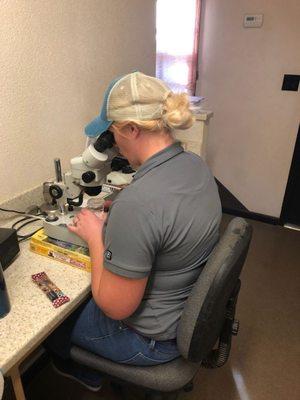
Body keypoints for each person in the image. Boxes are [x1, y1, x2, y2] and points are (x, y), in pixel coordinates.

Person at [45, 71, 222, 391]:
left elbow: (114, 306)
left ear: (131, 128)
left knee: (51, 319)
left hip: (150, 341)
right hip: (181, 309)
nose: (112, 144)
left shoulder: (140, 204)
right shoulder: (193, 165)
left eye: (112, 133)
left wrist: (96, 236)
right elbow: (165, 216)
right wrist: (128, 211)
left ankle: (87, 373)